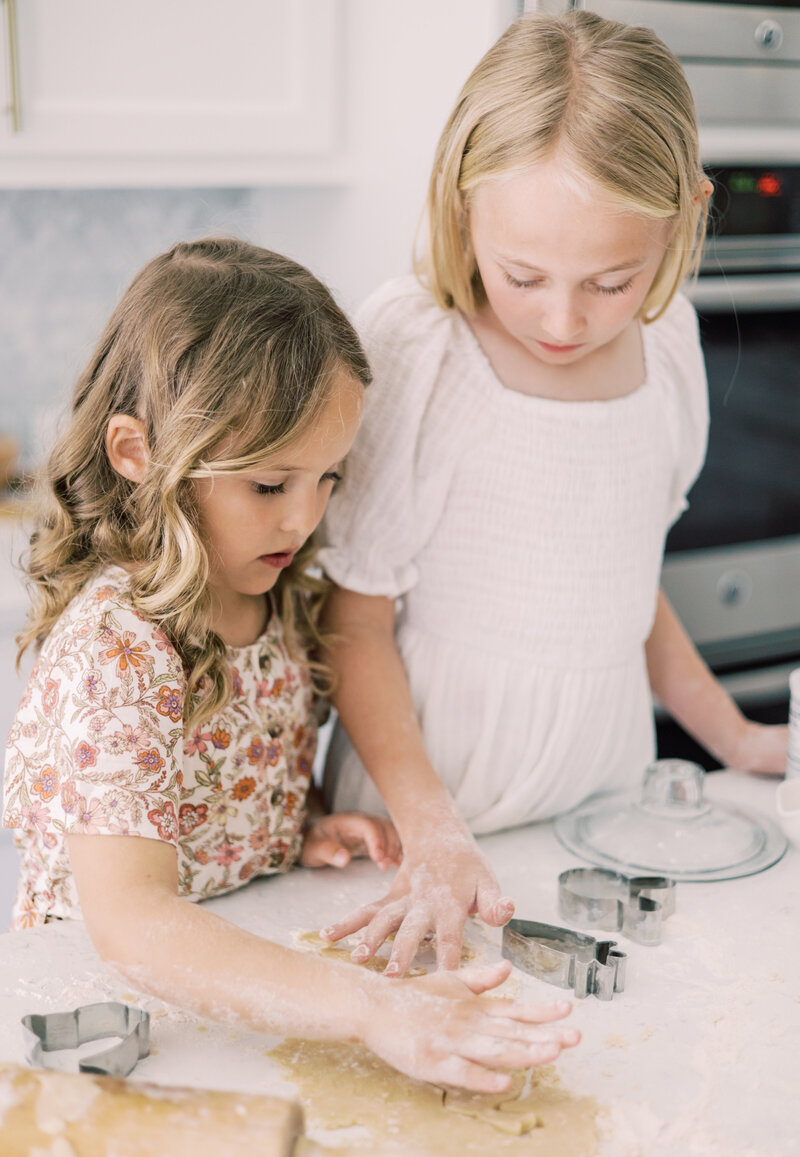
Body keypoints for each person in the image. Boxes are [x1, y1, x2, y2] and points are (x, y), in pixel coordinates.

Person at [2, 238, 578, 1092]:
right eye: (270, 486)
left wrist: (277, 830)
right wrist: (374, 1007)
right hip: (102, 1017)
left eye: (329, 479)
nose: (303, 518)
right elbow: (132, 922)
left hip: (239, 968)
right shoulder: (118, 648)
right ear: (137, 453)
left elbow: (208, 781)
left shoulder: (275, 588)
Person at [319, 12, 789, 976]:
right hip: (430, 817)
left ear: (685, 218)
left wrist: (733, 737)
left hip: (599, 802)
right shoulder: (424, 350)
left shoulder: (667, 351)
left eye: (614, 280)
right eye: (524, 275)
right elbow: (353, 623)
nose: (565, 318)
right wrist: (433, 826)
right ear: (461, 210)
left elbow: (625, 581)